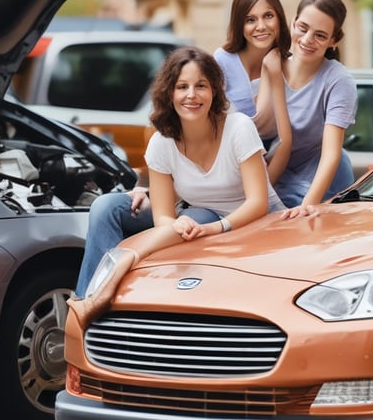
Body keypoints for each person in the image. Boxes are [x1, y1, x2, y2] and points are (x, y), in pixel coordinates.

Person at [67, 46, 285, 324]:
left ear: (215, 90)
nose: (191, 95)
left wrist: (211, 226)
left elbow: (258, 202)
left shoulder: (238, 128)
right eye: (182, 86)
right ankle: (92, 298)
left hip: (248, 222)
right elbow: (163, 216)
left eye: (201, 86)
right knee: (106, 205)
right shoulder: (161, 141)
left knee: (196, 215)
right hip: (195, 217)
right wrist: (174, 224)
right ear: (169, 92)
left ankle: (116, 272)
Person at [276, 0, 357, 216]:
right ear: (293, 23)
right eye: (303, 28)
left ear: (334, 40)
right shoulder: (271, 67)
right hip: (275, 183)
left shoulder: (338, 81)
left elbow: (331, 154)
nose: (307, 39)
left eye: (320, 35)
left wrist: (307, 207)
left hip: (318, 185)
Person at [213, 0, 292, 184]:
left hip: (282, 169)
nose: (261, 26)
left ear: (279, 18)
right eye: (250, 20)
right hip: (231, 169)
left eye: (268, 16)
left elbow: (288, 136)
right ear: (239, 24)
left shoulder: (290, 64)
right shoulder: (222, 60)